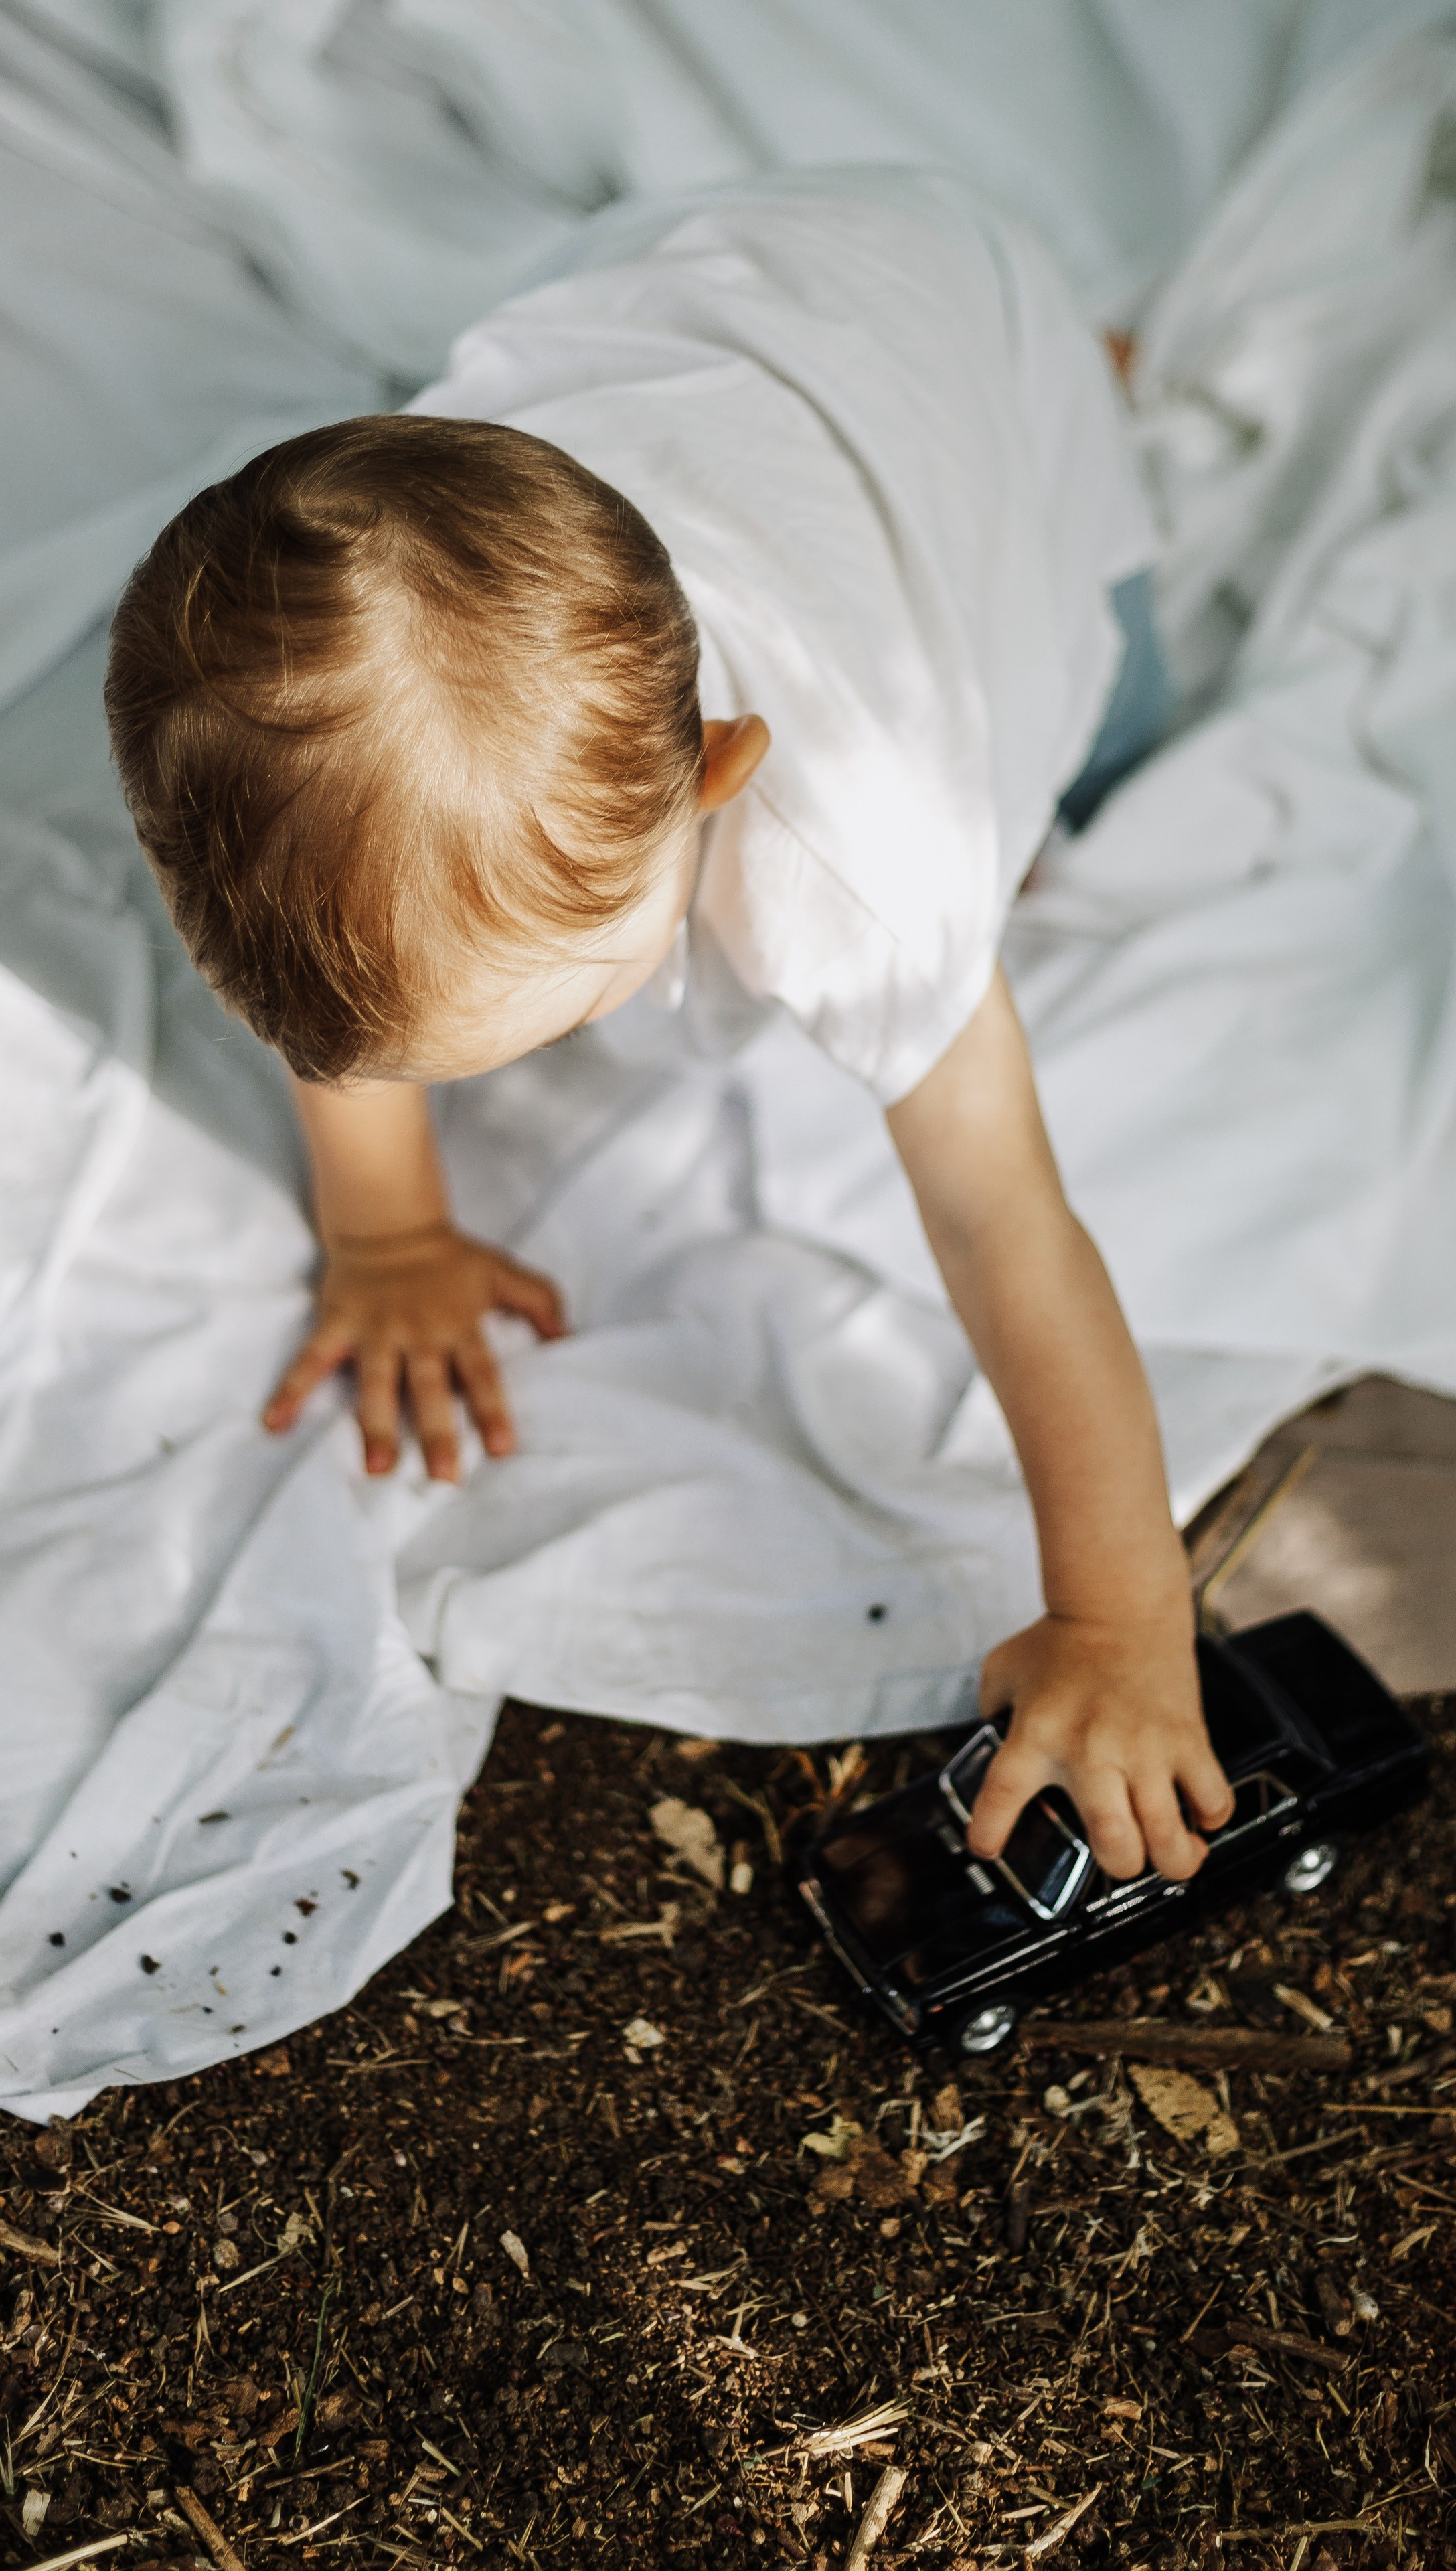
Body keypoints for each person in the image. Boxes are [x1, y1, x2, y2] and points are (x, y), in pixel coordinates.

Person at [104, 169, 1232, 1888]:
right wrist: (390, 1229)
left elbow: (1006, 1217)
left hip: (955, 338)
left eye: (576, 1006)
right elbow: (330, 1002)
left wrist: (1120, 1613)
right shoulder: (346, 622)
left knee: (1106, 719)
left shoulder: (867, 851)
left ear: (721, 780)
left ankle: (1099, 356)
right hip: (719, 286)